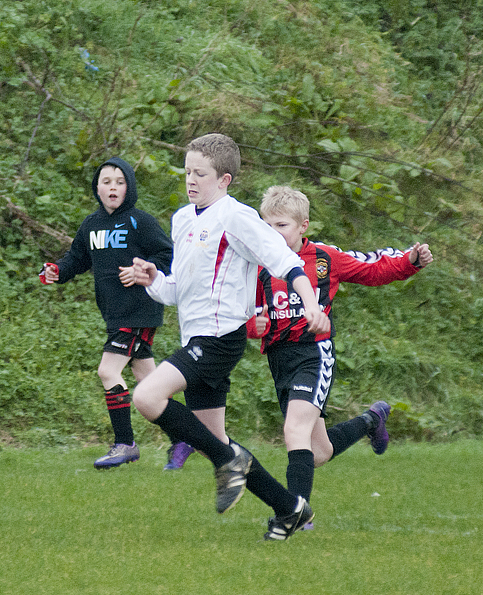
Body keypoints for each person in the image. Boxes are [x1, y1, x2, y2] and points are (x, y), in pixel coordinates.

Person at [130, 133, 331, 541]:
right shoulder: (184, 219)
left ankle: (230, 461)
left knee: (147, 397)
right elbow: (178, 293)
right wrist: (154, 280)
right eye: (187, 171)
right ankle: (289, 507)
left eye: (199, 174)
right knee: (211, 441)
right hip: (196, 337)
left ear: (224, 180)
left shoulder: (236, 217)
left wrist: (310, 302)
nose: (190, 180)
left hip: (221, 339)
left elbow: (284, 261)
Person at [245, 185, 433, 512]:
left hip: (313, 354)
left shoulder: (323, 258)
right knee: (318, 452)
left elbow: (372, 269)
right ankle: (371, 421)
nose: (273, 234)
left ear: (303, 225)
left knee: (294, 431)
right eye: (268, 226)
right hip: (280, 359)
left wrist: (410, 262)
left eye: (282, 226)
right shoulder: (257, 263)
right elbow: (248, 313)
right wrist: (253, 327)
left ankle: (295, 513)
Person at [40, 157, 173, 469]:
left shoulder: (141, 222)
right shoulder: (91, 225)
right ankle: (185, 438)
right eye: (106, 181)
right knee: (148, 381)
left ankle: (124, 443)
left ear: (129, 187)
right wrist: (57, 270)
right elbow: (77, 258)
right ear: (97, 188)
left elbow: (167, 255)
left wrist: (144, 269)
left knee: (107, 371)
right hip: (114, 312)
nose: (113, 187)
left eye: (120, 181)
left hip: (139, 310)